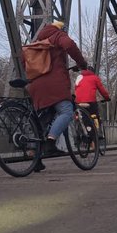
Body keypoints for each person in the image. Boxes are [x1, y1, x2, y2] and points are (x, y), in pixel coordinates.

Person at [26, 19, 88, 154]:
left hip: (35, 86)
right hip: (54, 84)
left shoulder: (36, 43)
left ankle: (35, 153)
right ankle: (51, 141)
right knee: (66, 111)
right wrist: (82, 64)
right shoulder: (57, 35)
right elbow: (69, 45)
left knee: (43, 119)